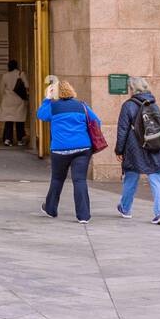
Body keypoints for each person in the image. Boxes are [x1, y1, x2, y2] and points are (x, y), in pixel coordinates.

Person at [36, 79, 101, 223]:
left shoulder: (53, 107)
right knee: (80, 180)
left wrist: (47, 98)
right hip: (83, 149)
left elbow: (41, 115)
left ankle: (51, 209)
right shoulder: (81, 106)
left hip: (60, 150)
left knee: (57, 179)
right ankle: (83, 216)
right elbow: (97, 122)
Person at [115, 76, 160, 224]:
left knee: (131, 177)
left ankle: (125, 208)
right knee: (156, 179)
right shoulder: (153, 104)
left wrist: (119, 150)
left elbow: (122, 130)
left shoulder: (128, 105)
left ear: (133, 89)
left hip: (135, 148)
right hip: (155, 145)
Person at [0, 59, 29, 145]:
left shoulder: (5, 75)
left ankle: (8, 139)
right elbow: (27, 85)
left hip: (8, 100)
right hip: (19, 100)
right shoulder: (21, 74)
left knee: (8, 121)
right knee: (19, 121)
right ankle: (20, 140)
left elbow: (1, 89)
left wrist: (5, 95)